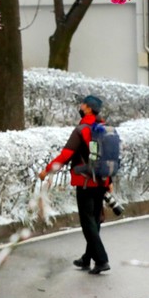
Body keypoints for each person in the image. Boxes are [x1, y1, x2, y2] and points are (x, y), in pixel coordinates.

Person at [38, 95, 112, 274]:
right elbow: (111, 158)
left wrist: (47, 171)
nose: (80, 106)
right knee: (95, 221)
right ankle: (87, 258)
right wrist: (109, 182)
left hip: (85, 182)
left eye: (82, 104)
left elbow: (65, 156)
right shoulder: (106, 128)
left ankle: (101, 260)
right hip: (101, 181)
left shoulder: (81, 130)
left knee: (88, 223)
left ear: (87, 108)